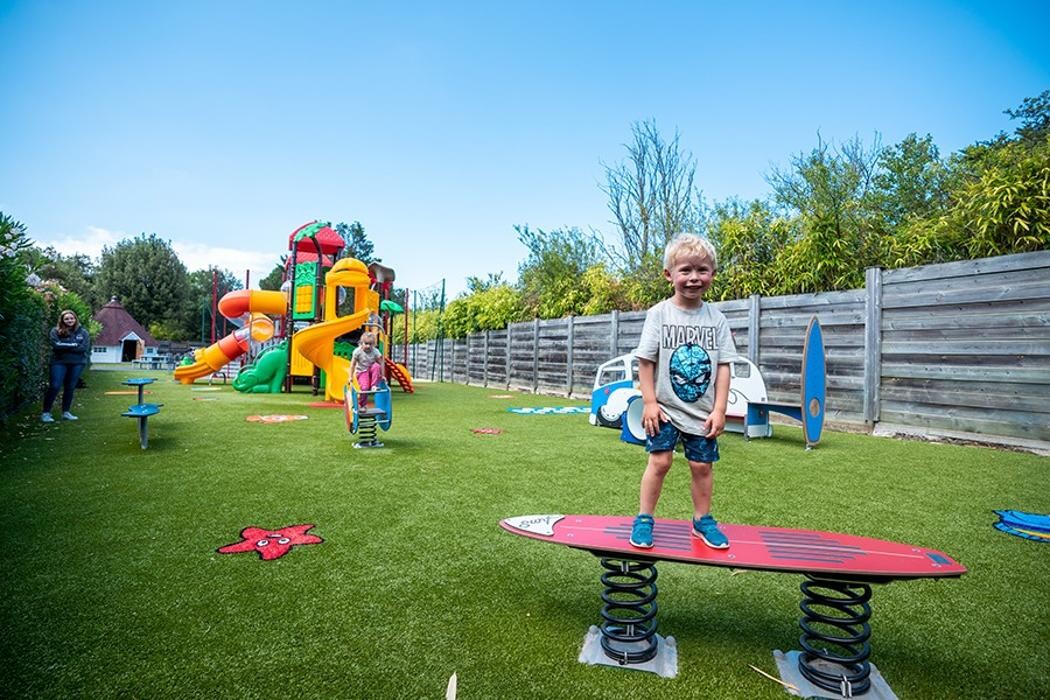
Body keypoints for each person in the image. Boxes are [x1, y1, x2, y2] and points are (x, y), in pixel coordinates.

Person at [629, 233, 738, 550]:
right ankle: (645, 518)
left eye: (702, 270)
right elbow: (646, 361)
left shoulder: (716, 319)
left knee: (702, 467)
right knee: (660, 462)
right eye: (686, 270)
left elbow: (723, 366)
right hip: (664, 409)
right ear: (669, 275)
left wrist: (719, 409)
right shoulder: (659, 314)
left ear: (712, 275)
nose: (694, 278)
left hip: (702, 413)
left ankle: (702, 520)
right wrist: (649, 402)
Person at [42, 309, 91, 423]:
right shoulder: (55, 331)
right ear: (62, 320)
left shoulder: (83, 332)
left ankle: (66, 412)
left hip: (77, 363)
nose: (69, 320)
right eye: (67, 319)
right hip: (59, 362)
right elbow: (56, 345)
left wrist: (65, 346)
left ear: (75, 319)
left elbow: (83, 348)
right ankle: (46, 413)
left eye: (71, 318)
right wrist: (74, 345)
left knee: (70, 387)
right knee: (55, 386)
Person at [348, 331, 383, 408]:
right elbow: (352, 365)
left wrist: (383, 375)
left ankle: (374, 385)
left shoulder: (375, 351)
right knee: (364, 388)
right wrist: (350, 377)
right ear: (361, 343)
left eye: (370, 344)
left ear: (373, 344)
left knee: (376, 366)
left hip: (371, 371)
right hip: (361, 371)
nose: (368, 346)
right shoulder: (357, 351)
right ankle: (362, 404)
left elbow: (381, 363)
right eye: (366, 344)